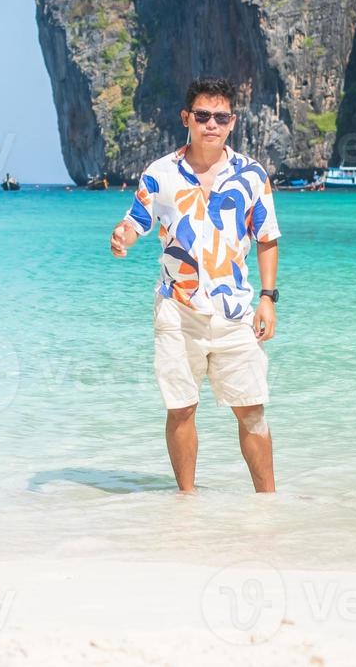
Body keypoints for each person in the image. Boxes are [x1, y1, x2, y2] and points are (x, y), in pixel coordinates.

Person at [108, 77, 281, 493]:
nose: (211, 125)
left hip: (235, 311)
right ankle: (186, 501)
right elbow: (138, 220)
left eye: (220, 117)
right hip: (177, 308)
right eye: (202, 116)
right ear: (187, 118)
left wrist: (268, 298)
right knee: (181, 409)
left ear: (232, 122)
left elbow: (267, 238)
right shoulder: (161, 173)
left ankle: (268, 503)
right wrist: (123, 237)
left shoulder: (252, 176)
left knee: (251, 411)